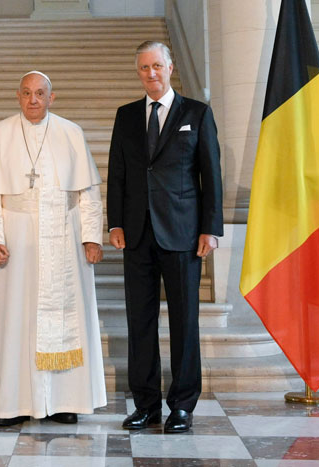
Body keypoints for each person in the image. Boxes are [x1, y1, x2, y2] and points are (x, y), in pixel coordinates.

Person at [0, 71, 106, 426]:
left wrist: (91, 236)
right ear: (18, 96)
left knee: (64, 317)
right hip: (17, 239)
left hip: (63, 235)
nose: (33, 100)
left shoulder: (71, 133)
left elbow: (87, 193)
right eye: (27, 93)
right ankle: (10, 403)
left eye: (40, 93)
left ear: (51, 97)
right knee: (14, 318)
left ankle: (63, 401)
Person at [107, 41, 223, 433]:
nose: (150, 74)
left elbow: (211, 175)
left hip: (184, 234)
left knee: (184, 322)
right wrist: (115, 222)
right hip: (137, 235)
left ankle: (183, 405)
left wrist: (211, 227)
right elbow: (118, 173)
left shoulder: (197, 113)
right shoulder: (125, 117)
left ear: (170, 67)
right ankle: (146, 404)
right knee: (140, 322)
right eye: (143, 68)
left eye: (156, 66)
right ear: (138, 71)